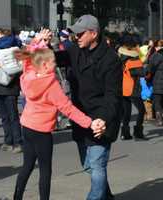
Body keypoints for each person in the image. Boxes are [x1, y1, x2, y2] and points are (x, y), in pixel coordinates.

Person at [13, 34, 105, 200]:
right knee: (45, 170)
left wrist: (37, 41)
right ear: (45, 64)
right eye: (53, 62)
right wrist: (90, 123)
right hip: (42, 131)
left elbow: (27, 59)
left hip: (27, 126)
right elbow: (69, 109)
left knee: (27, 165)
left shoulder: (28, 76)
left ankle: (17, 197)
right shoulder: (52, 86)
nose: (56, 64)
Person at [54, 15, 122, 200]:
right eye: (75, 34)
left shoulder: (110, 59)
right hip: (80, 117)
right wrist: (41, 46)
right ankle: (106, 196)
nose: (77, 37)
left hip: (101, 118)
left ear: (93, 33)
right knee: (89, 166)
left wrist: (103, 120)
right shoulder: (75, 49)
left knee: (97, 165)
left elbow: (112, 96)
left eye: (81, 33)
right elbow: (53, 59)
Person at [0, 28, 23, 153]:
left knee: (5, 116)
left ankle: (11, 141)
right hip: (11, 85)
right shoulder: (17, 46)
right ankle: (16, 142)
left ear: (3, 35)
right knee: (12, 116)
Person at [118, 33, 148, 140]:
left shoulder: (122, 58)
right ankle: (138, 133)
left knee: (126, 113)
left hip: (123, 88)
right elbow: (144, 73)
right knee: (142, 110)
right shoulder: (134, 61)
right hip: (133, 89)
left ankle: (125, 133)